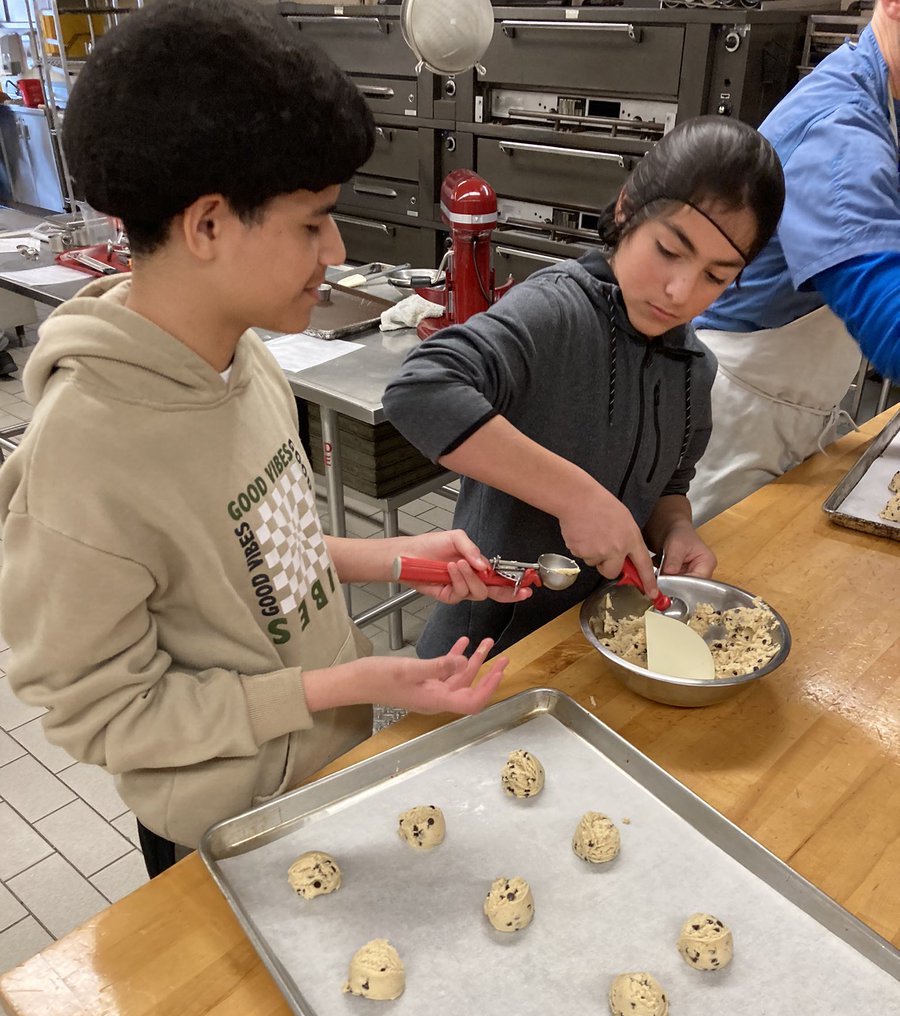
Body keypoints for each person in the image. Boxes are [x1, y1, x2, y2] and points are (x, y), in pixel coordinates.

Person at [0, 0, 528, 877]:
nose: (337, 248)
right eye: (312, 221)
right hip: (222, 827)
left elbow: (251, 550)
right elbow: (107, 716)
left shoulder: (241, 360)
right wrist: (348, 683)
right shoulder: (83, 462)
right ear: (208, 225)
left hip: (321, 768)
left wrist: (404, 559)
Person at [382, 117, 784, 657]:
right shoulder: (556, 312)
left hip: (593, 647)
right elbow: (420, 389)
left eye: (716, 276)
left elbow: (668, 486)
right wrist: (577, 499)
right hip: (484, 646)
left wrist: (677, 529)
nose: (680, 290)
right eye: (669, 250)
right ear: (626, 210)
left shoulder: (693, 369)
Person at [689, 0, 900, 524]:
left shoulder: (884, 96)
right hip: (740, 420)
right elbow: (890, 320)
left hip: (794, 406)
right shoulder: (840, 129)